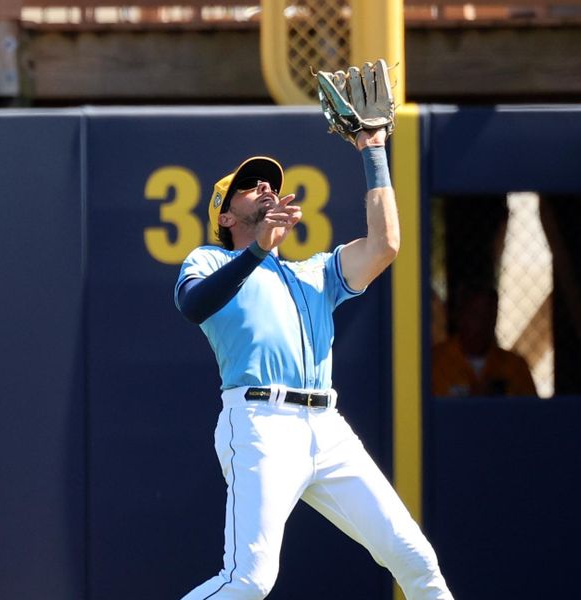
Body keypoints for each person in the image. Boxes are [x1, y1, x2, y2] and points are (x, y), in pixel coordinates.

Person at [174, 127, 453, 599]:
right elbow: (193, 304)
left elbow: (384, 245)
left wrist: (373, 151)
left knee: (416, 559)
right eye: (249, 185)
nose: (265, 186)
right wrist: (258, 250)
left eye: (269, 182)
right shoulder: (211, 259)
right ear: (225, 215)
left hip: (327, 427)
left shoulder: (314, 272)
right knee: (249, 581)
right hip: (261, 422)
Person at [432, 282, 537, 397]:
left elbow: (532, 412)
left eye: (490, 315)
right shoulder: (435, 362)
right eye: (476, 314)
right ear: (460, 316)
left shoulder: (515, 367)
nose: (483, 323)